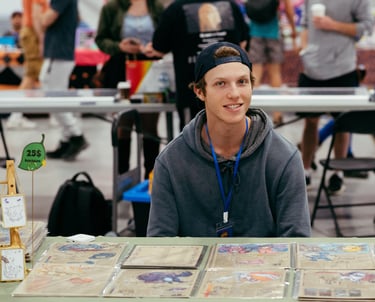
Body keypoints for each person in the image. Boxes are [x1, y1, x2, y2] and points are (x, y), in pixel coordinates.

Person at [147, 42, 311, 237]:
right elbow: (161, 244)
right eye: (220, 83)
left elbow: (296, 242)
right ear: (200, 92)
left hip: (265, 267)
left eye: (242, 82)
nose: (234, 94)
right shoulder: (171, 162)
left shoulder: (284, 158)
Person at [298, 0, 373, 192]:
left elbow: (366, 26)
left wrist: (333, 25)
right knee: (310, 121)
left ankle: (337, 173)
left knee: (342, 123)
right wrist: (304, 50)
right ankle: (304, 171)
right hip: (311, 70)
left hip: (342, 69)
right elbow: (306, 25)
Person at [144, 0, 249, 131]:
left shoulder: (175, 9)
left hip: (191, 91)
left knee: (194, 141)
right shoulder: (230, 6)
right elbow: (243, 43)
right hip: (231, 91)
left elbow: (159, 47)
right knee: (231, 138)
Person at [95, 0, 164, 178]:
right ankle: (122, 177)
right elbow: (100, 39)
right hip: (120, 70)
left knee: (150, 124)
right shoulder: (112, 7)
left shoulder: (156, 7)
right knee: (124, 124)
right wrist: (119, 46)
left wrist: (155, 48)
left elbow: (167, 37)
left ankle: (152, 179)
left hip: (150, 69)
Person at [40, 0, 89, 161]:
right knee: (55, 94)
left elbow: (46, 19)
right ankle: (66, 138)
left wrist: (38, 15)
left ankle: (75, 134)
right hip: (60, 51)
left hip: (59, 52)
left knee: (52, 94)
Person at [247, 0, 297, 126]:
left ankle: (251, 113)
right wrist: (293, 29)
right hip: (273, 33)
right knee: (275, 74)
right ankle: (277, 115)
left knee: (255, 75)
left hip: (254, 32)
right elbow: (288, 10)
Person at [6, 1, 48, 130]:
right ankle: (15, 115)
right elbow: (36, 14)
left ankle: (16, 115)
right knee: (31, 75)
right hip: (32, 32)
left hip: (30, 31)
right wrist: (41, 39)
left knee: (31, 75)